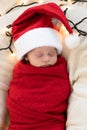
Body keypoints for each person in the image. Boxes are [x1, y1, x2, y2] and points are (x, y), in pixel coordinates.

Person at [6, 2, 80, 130]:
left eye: (51, 53)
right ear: (27, 56)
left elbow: (62, 91)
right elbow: (17, 96)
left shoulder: (59, 68)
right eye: (39, 55)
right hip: (23, 123)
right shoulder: (22, 72)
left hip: (51, 123)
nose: (46, 58)